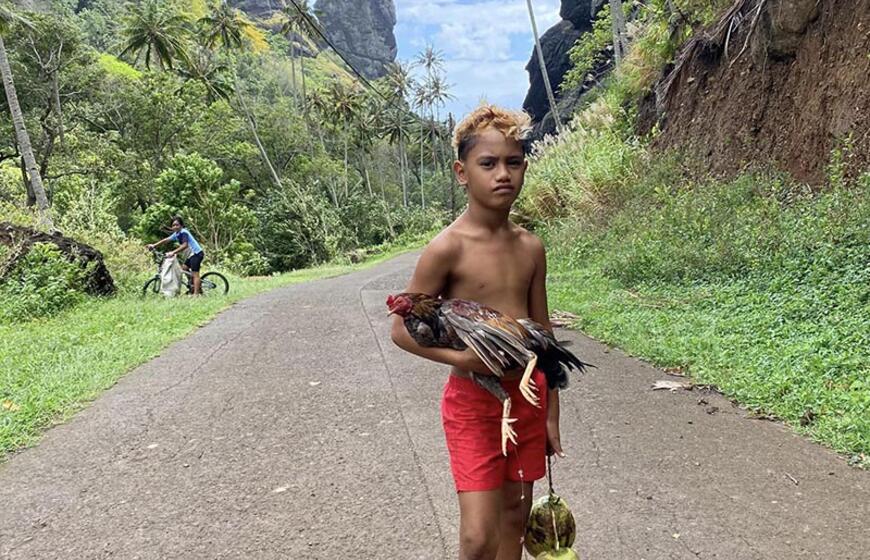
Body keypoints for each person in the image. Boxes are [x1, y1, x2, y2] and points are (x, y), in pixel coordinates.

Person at [390, 104, 563, 560]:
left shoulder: (530, 247)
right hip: (472, 403)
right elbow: (400, 330)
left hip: (528, 398)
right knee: (478, 536)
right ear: (462, 172)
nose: (503, 174)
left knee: (514, 518)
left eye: (513, 162)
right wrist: (462, 359)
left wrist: (551, 413)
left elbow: (544, 335)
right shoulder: (447, 249)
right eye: (488, 163)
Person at [146, 216, 205, 295]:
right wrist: (154, 245)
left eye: (177, 225)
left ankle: (196, 294)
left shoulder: (184, 232)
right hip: (191, 255)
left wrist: (173, 252)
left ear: (181, 225)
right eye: (173, 225)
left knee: (195, 274)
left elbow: (185, 245)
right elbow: (166, 240)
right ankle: (193, 286)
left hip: (196, 253)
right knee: (184, 268)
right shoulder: (177, 234)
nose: (175, 227)